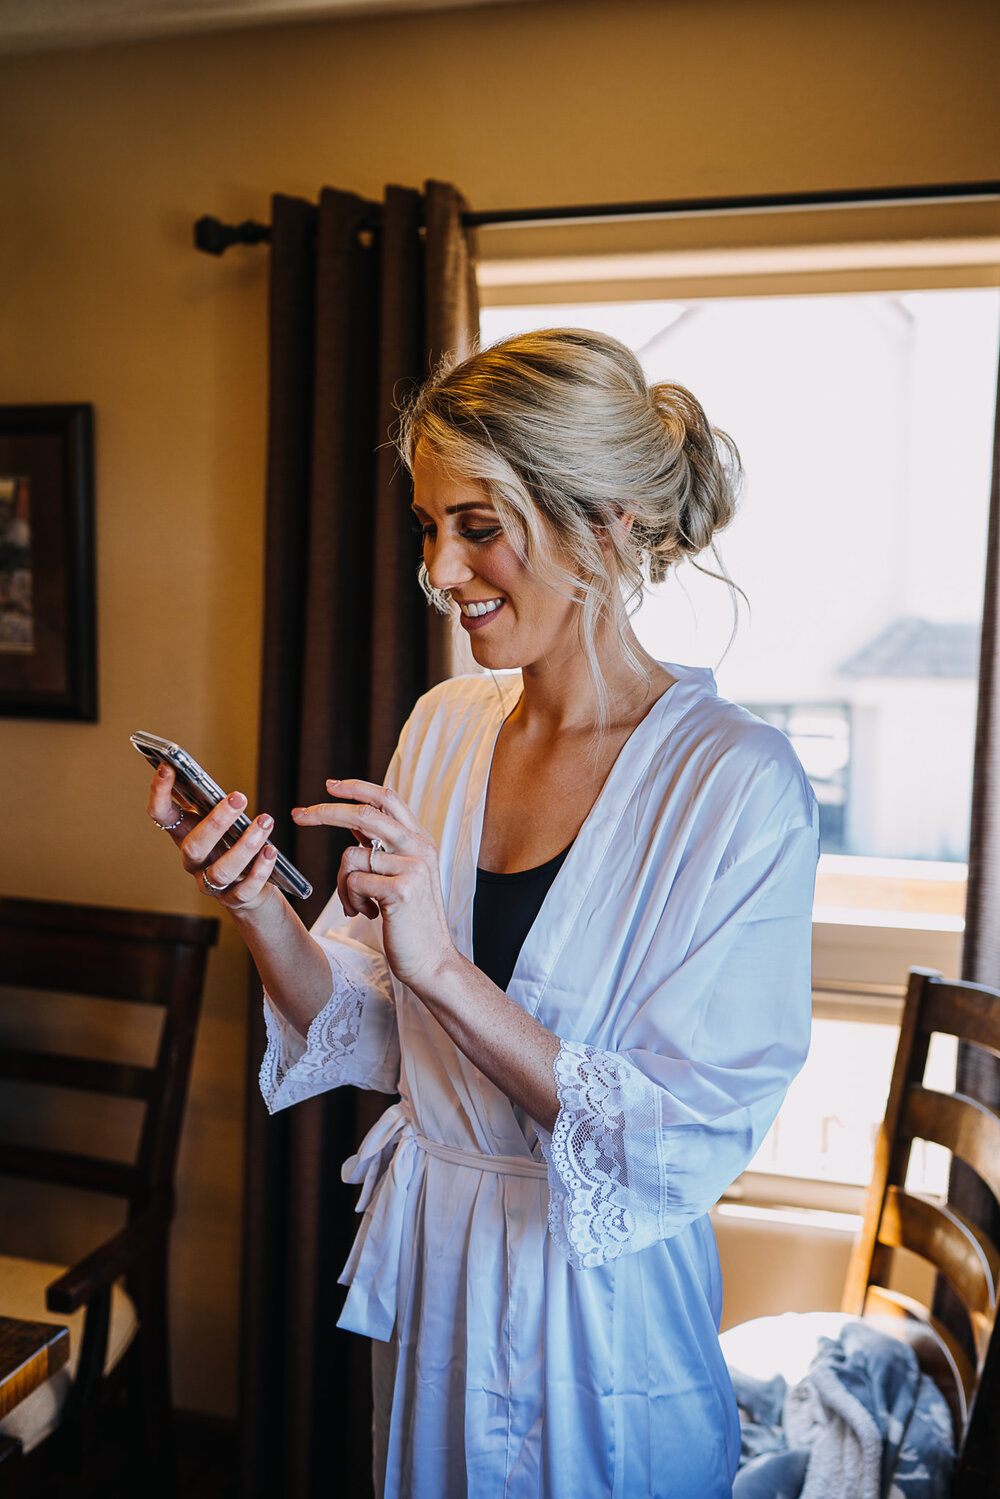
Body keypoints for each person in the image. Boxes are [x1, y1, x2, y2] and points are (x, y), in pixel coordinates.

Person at [146, 328, 819, 1499]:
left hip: (599, 1320)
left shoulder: (735, 782)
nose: (439, 571)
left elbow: (678, 1130)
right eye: (428, 525)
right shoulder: (446, 725)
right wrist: (255, 900)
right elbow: (364, 1029)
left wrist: (446, 971)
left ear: (605, 522)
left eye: (477, 526)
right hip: (439, 1279)